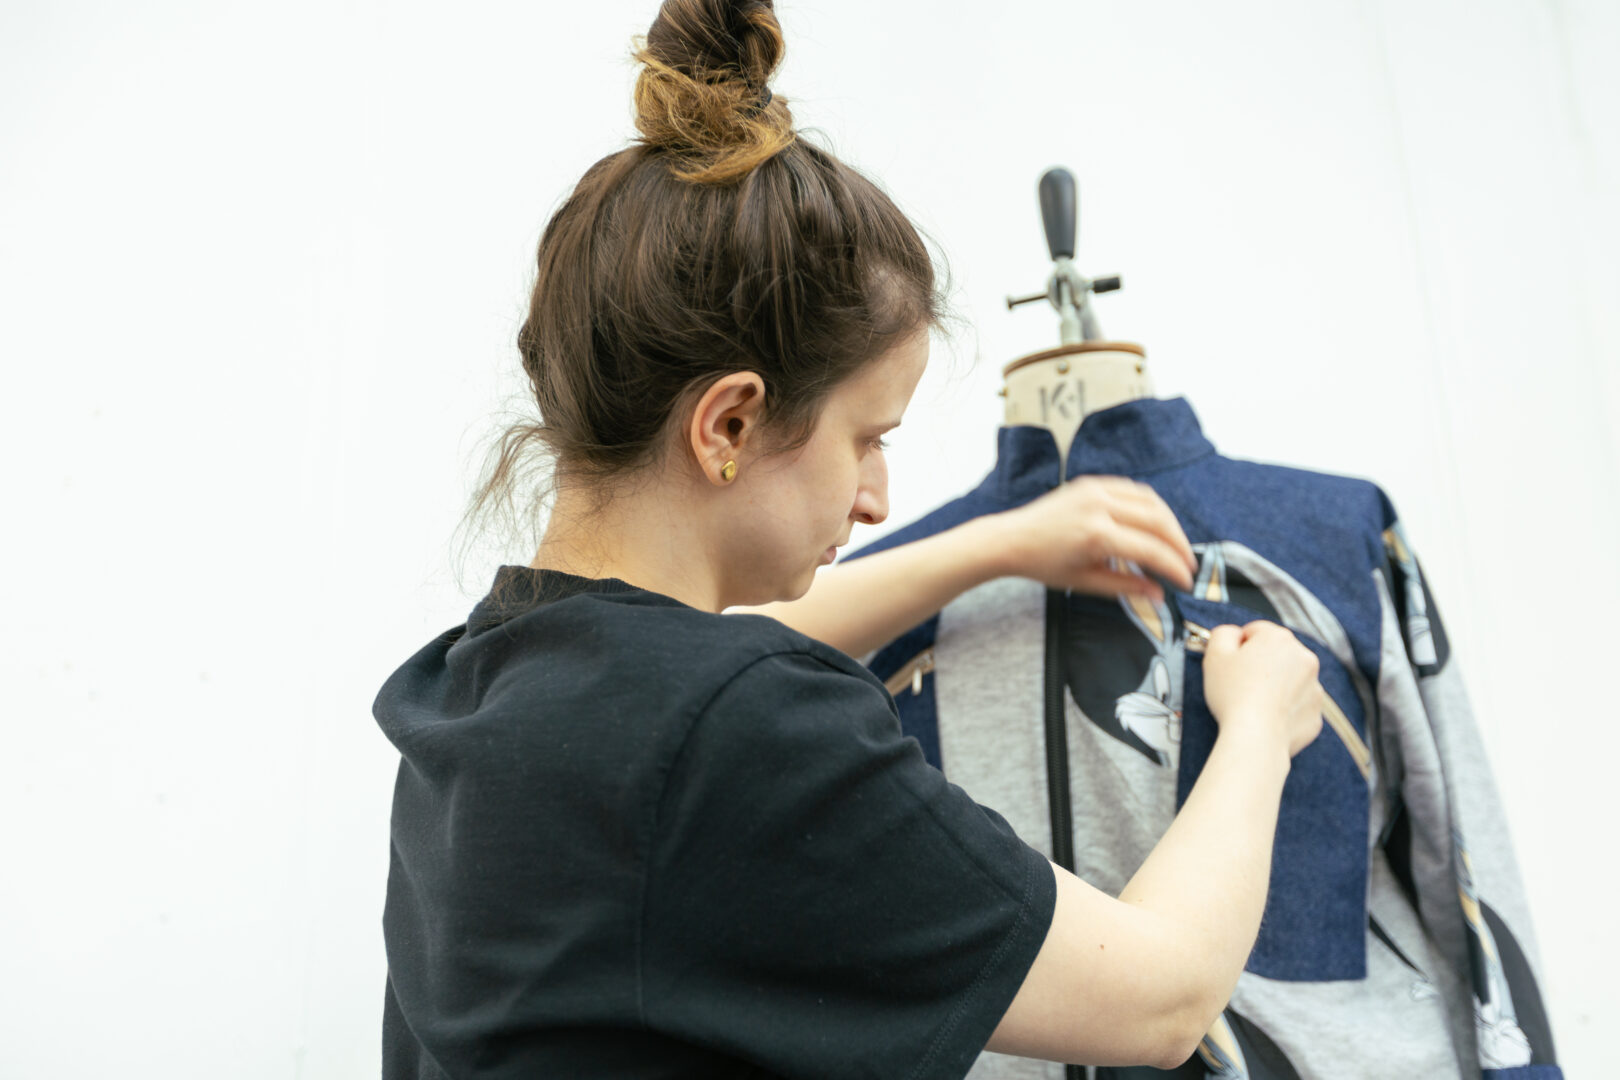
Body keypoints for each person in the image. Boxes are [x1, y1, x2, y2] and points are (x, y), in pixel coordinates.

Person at [373, 1, 1324, 1076]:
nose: (877, 498)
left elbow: (702, 679)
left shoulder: (474, 693)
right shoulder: (737, 728)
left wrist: (997, 546)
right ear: (729, 422)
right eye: (867, 438)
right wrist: (1257, 730)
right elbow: (1160, 1001)